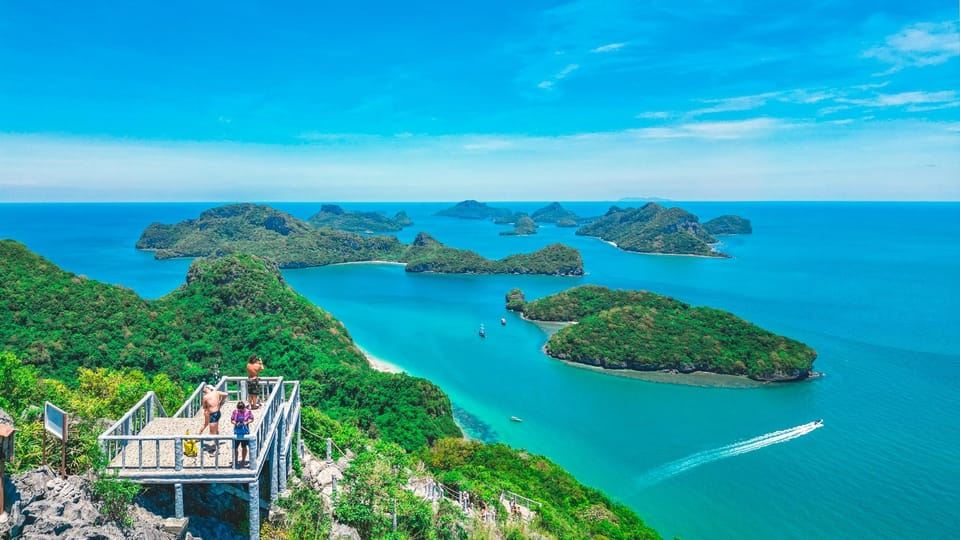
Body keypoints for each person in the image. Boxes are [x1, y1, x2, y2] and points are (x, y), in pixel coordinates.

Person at [199, 384, 228, 453]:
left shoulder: (206, 397)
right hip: (217, 413)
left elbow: (204, 407)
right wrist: (220, 402)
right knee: (216, 431)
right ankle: (217, 447)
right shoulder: (216, 392)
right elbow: (225, 394)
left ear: (208, 388)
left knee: (212, 433)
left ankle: (214, 450)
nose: (204, 390)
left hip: (213, 414)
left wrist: (220, 402)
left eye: (204, 389)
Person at [231, 401, 254, 467]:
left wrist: (246, 422)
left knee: (244, 447)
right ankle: (235, 461)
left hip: (245, 432)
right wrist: (235, 423)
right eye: (239, 410)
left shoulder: (248, 411)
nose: (241, 411)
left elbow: (252, 419)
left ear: (244, 408)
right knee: (235, 448)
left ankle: (243, 461)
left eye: (242, 410)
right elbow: (232, 420)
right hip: (237, 432)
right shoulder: (235, 412)